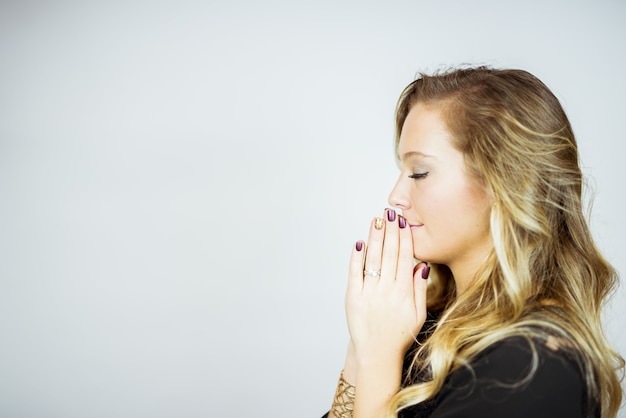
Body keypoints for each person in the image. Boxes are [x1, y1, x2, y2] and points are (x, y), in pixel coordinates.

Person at [323, 66, 624, 418]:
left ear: (505, 183)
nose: (395, 196)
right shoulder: (423, 324)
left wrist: (377, 353)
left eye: (419, 172)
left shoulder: (530, 366)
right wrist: (363, 345)